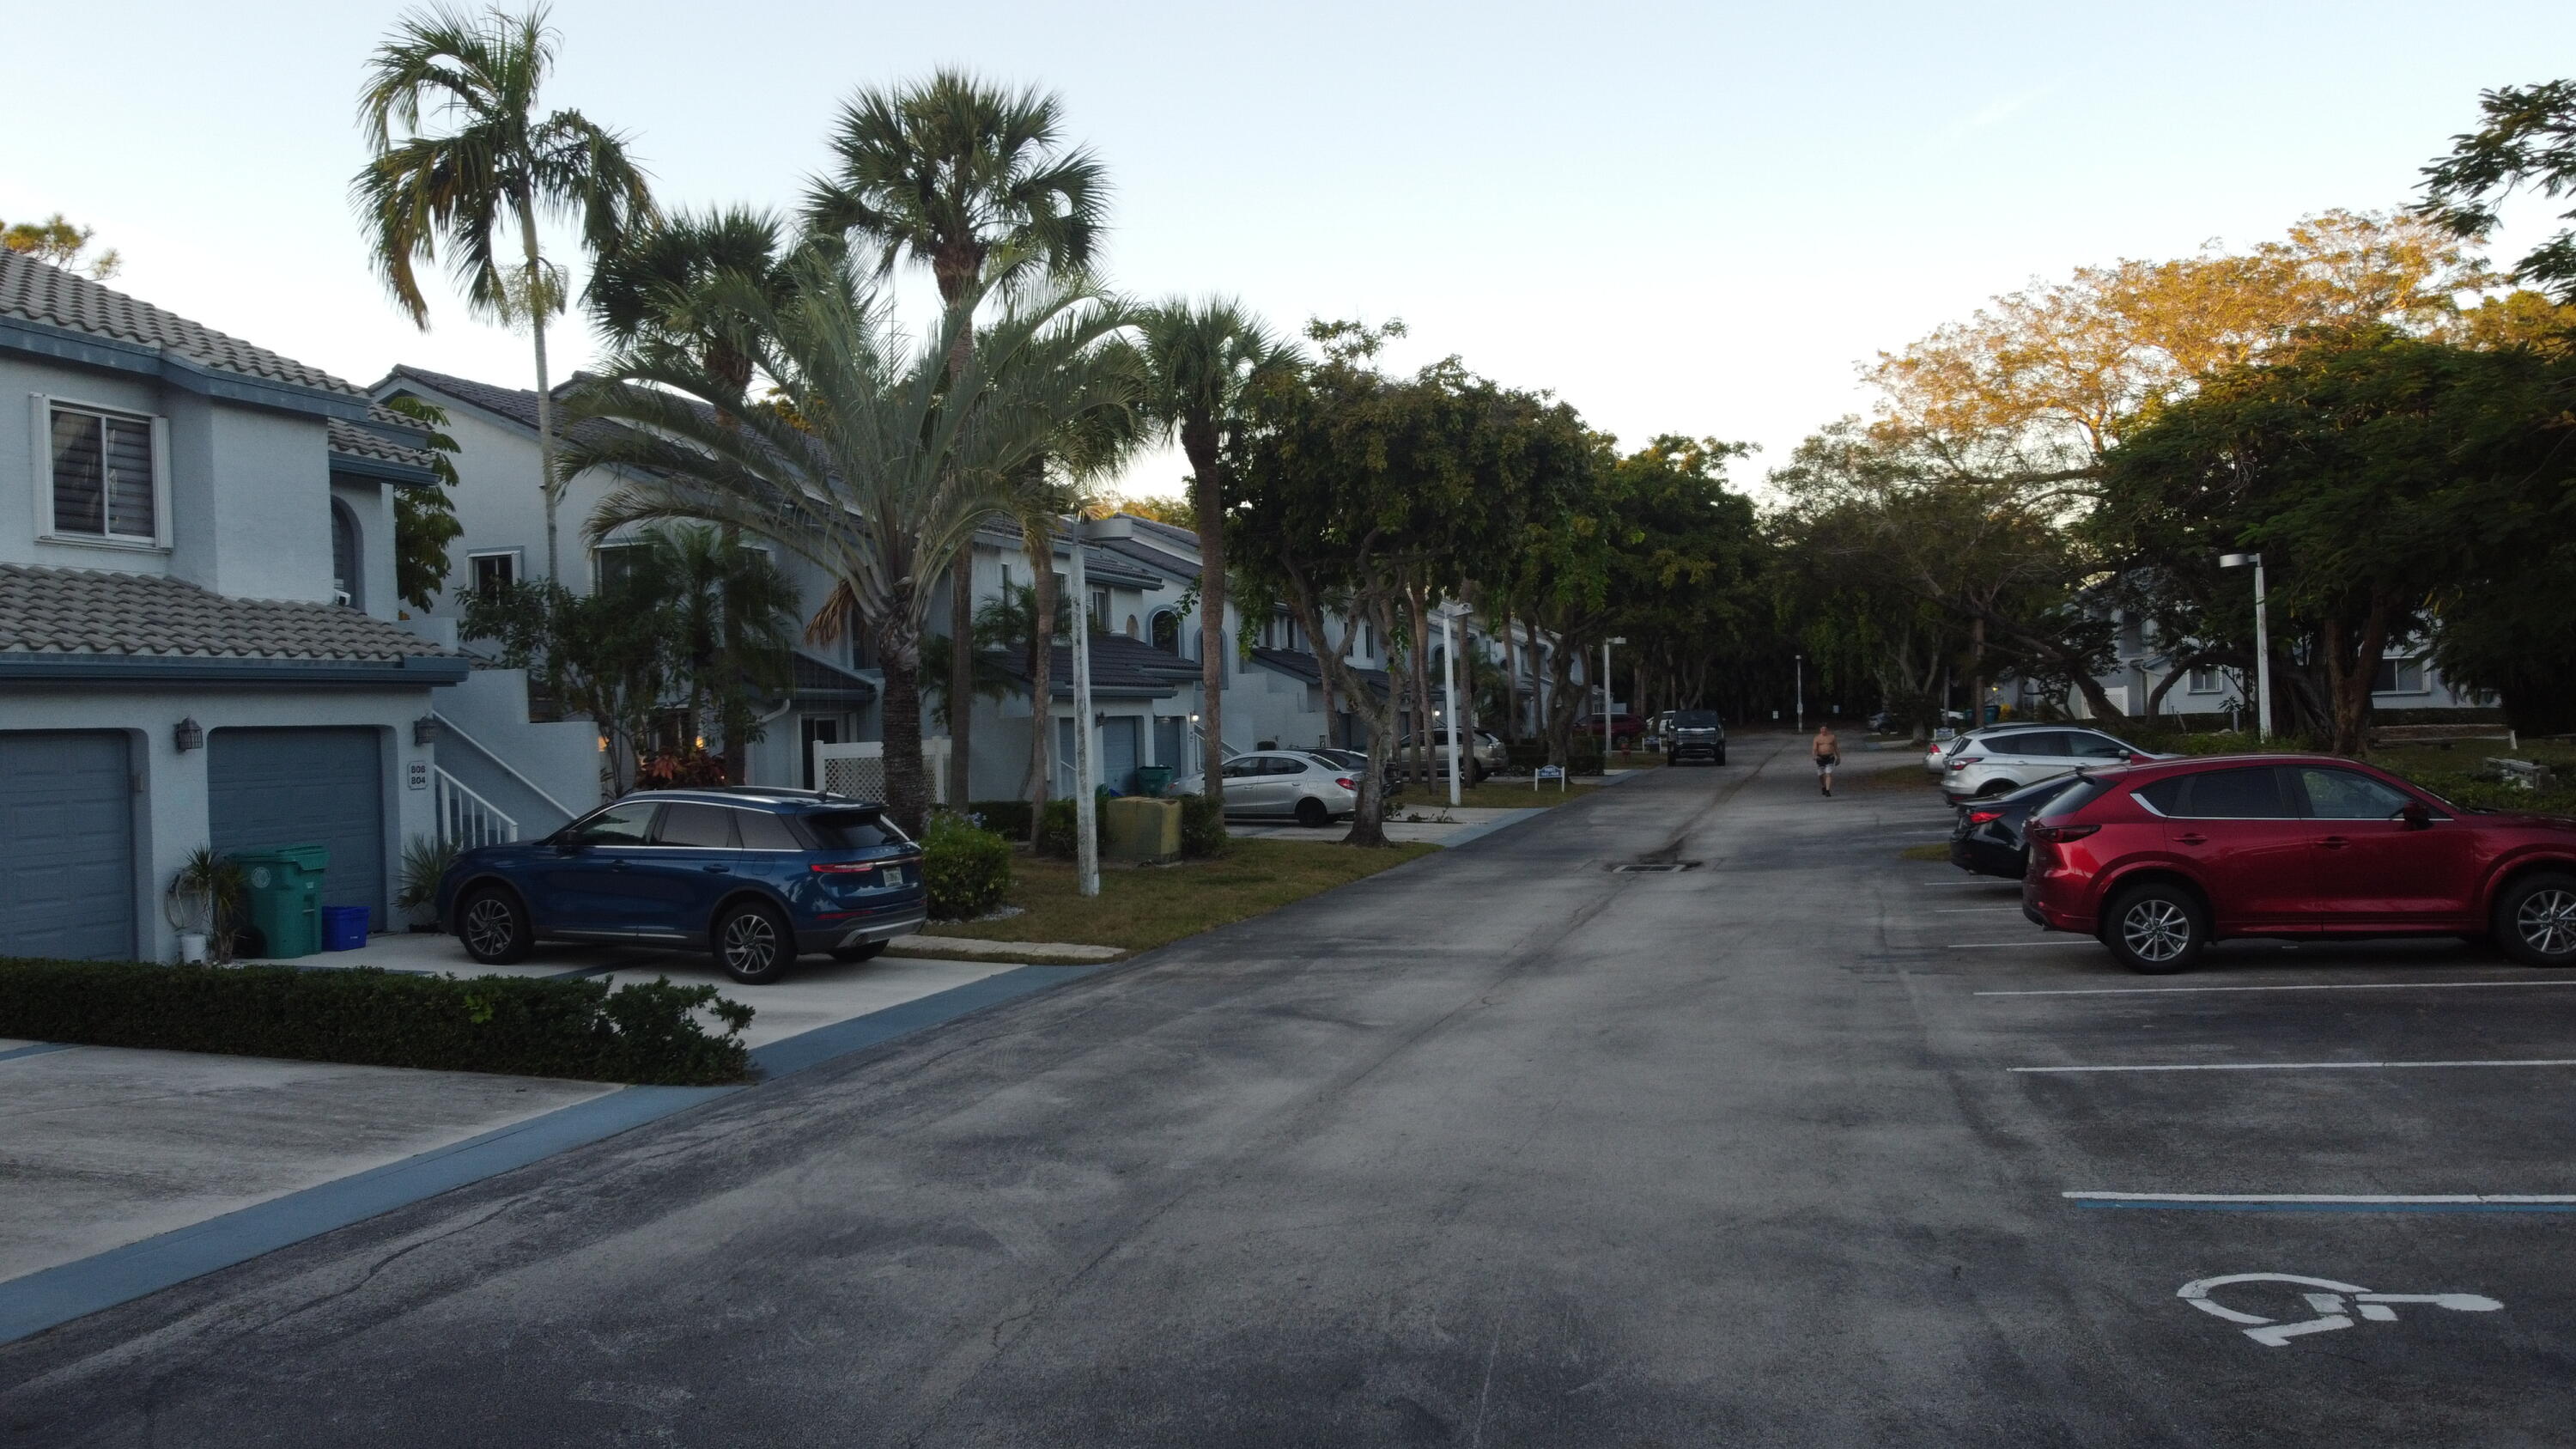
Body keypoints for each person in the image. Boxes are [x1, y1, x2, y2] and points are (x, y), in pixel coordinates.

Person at [1812, 724, 1840, 796]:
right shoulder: (1817, 738)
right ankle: (1823, 787)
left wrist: (1838, 757)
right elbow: (1814, 748)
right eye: (1822, 729)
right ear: (1820, 730)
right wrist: (1814, 756)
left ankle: (1828, 790)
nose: (1823, 730)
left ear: (1827, 730)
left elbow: (1836, 748)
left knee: (1828, 773)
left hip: (1830, 757)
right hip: (1820, 758)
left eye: (1825, 729)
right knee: (1821, 775)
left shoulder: (1832, 737)